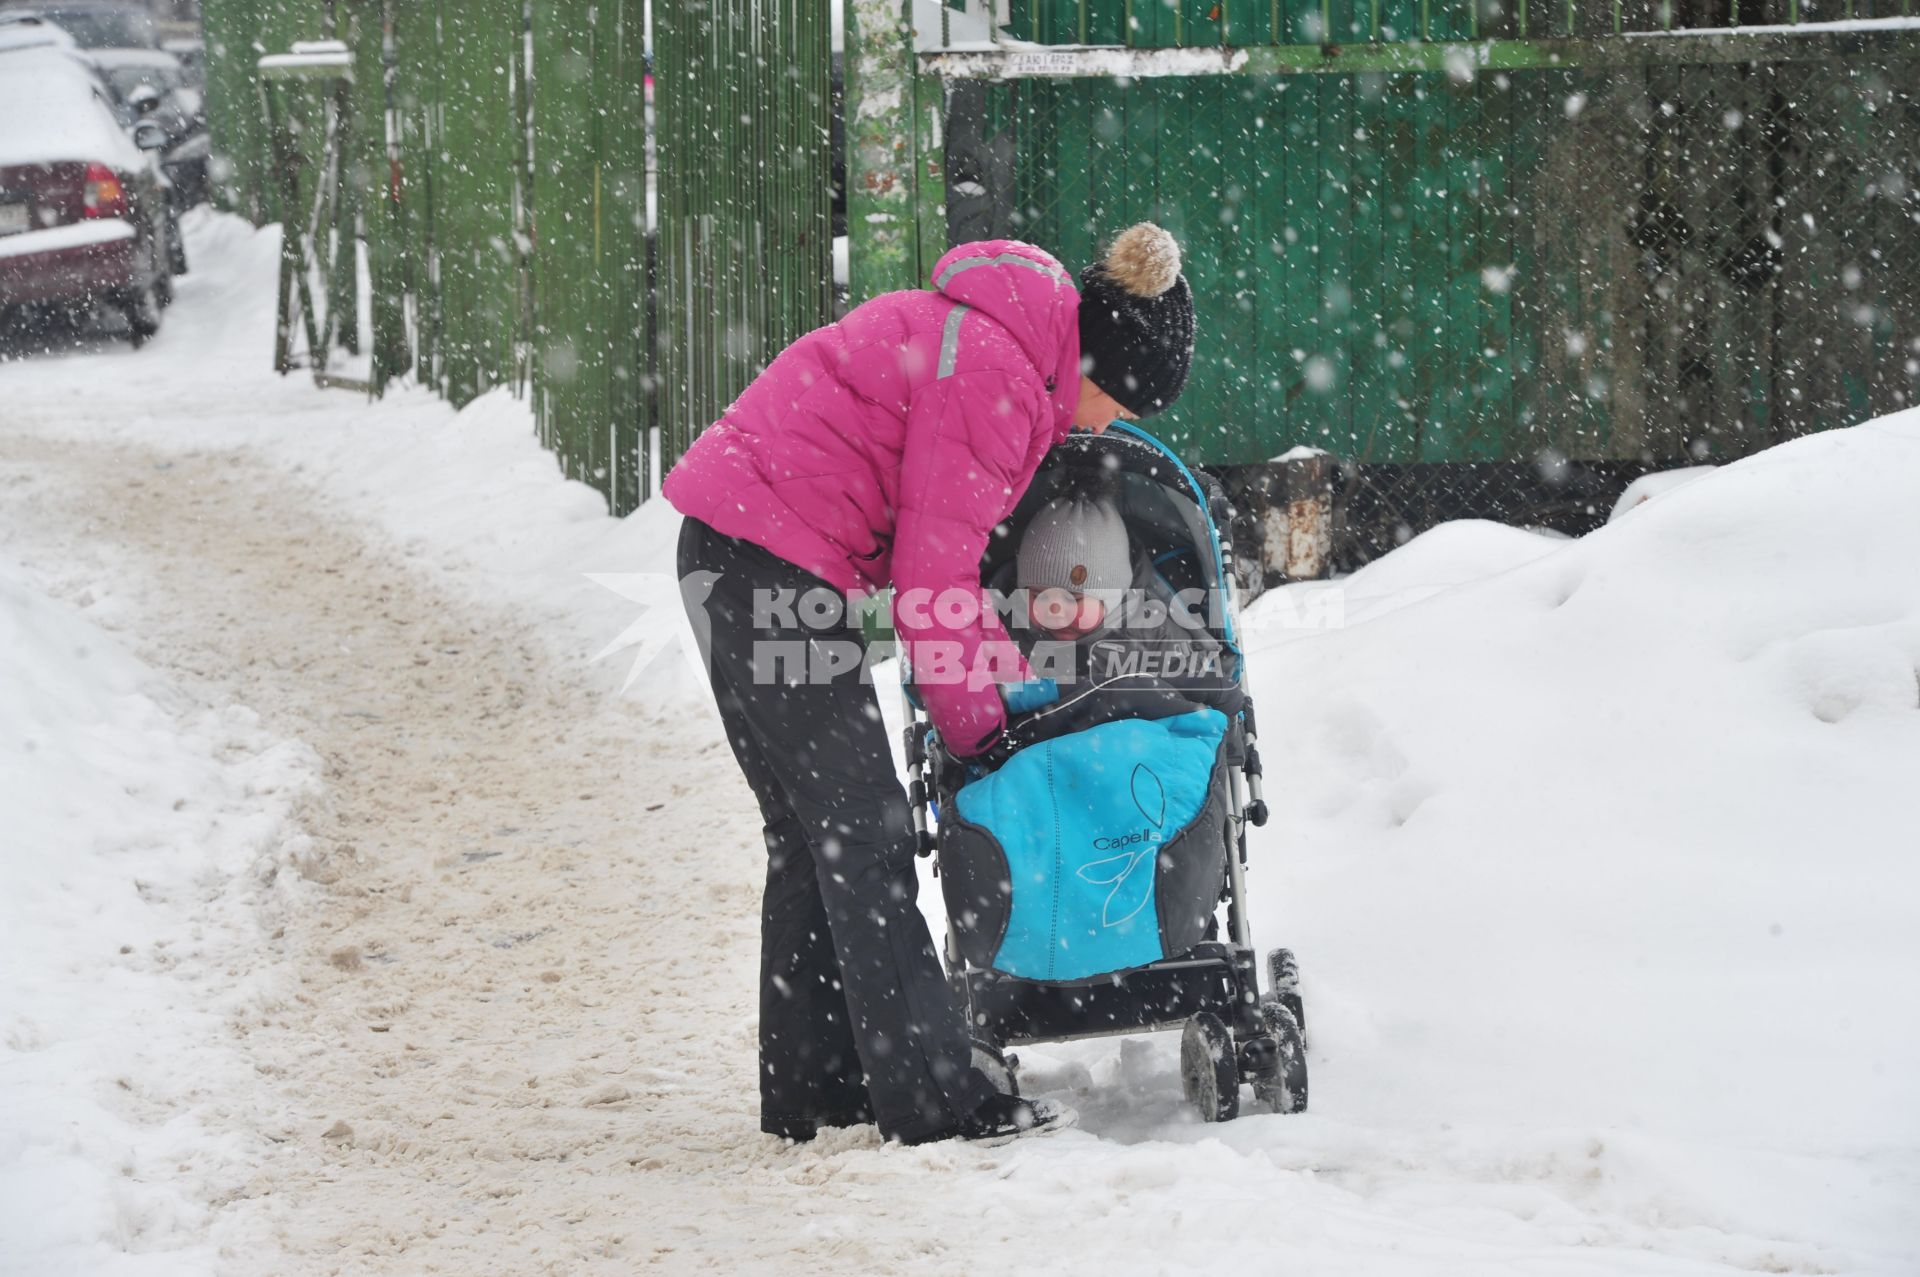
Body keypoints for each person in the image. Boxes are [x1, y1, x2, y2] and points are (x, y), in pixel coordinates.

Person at [663, 222, 1195, 1146]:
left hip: (737, 550)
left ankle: (820, 1091)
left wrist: (994, 690)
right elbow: (933, 582)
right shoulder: (995, 375)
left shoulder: (1002, 344)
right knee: (861, 828)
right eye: (1117, 405)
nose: (1108, 426)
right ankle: (938, 1098)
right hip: (767, 564)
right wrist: (990, 728)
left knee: (815, 834)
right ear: (1099, 367)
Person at [995, 477, 1243, 748]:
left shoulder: (1152, 631)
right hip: (1040, 761)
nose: (1055, 610)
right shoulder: (1007, 632)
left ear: (1113, 596)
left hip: (1136, 757)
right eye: (1037, 595)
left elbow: (1194, 694)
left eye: (1074, 598)